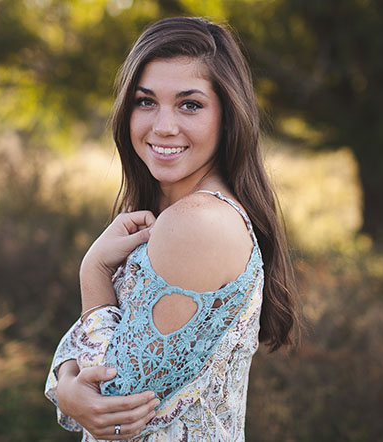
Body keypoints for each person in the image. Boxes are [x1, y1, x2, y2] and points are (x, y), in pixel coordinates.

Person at [45, 16, 298, 441]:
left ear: (227, 115)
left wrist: (94, 271)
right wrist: (67, 385)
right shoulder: (169, 212)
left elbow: (112, 403)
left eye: (190, 105)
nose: (163, 126)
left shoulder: (198, 223)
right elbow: (94, 378)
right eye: (145, 101)